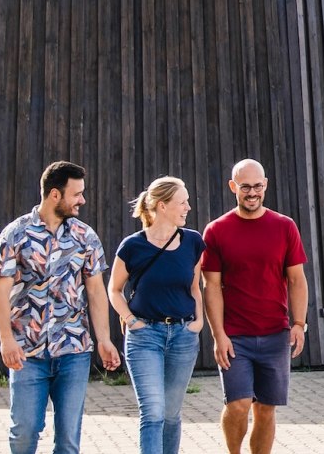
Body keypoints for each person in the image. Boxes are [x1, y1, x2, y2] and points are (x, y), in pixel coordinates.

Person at [0, 161, 121, 454]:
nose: (82, 201)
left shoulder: (85, 237)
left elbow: (96, 291)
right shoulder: (15, 234)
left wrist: (104, 340)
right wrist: (6, 340)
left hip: (74, 351)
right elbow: (0, 290)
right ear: (54, 195)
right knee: (23, 434)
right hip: (28, 353)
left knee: (68, 441)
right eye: (76, 194)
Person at [202, 159, 309, 454]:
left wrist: (299, 323)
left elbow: (297, 280)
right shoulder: (216, 230)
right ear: (233, 187)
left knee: (266, 409)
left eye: (258, 186)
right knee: (238, 404)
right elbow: (211, 286)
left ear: (266, 185)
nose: (252, 193)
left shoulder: (284, 226)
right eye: (245, 186)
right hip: (235, 336)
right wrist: (218, 335)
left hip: (276, 334)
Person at [109, 176, 207, 454]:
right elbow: (114, 290)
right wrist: (131, 321)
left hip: (183, 336)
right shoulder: (132, 246)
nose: (188, 207)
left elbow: (194, 287)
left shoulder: (193, 242)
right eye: (182, 202)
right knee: (153, 412)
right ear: (162, 206)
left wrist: (198, 322)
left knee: (171, 414)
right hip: (144, 337)